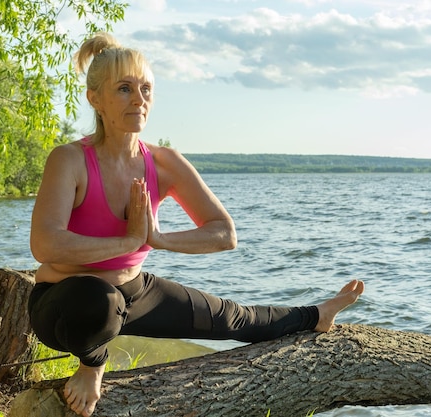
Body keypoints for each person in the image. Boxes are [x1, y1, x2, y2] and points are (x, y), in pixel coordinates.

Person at [28, 32, 365, 417]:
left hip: (133, 292)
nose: (139, 99)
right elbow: (46, 244)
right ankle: (93, 362)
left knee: (233, 318)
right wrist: (129, 241)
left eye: (146, 88)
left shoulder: (164, 162)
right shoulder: (69, 160)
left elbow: (224, 233)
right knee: (97, 305)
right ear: (95, 99)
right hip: (63, 301)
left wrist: (156, 239)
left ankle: (316, 315)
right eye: (124, 89)